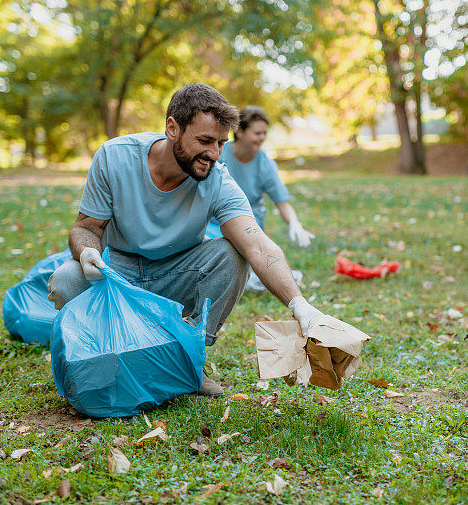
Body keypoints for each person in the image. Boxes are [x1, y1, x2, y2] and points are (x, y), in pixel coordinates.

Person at [47, 83, 340, 397]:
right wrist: (88, 252)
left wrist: (300, 306)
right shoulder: (115, 157)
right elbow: (85, 228)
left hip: (177, 275)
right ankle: (101, 356)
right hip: (117, 273)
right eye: (204, 140)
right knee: (66, 280)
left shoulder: (216, 179)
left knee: (232, 252)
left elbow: (257, 244)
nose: (213, 154)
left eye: (220, 143)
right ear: (173, 128)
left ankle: (189, 361)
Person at [215, 106, 314, 292]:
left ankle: (251, 279)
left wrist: (295, 224)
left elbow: (281, 201)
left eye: (264, 133)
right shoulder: (220, 154)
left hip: (249, 221)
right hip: (216, 221)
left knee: (241, 255)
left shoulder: (264, 162)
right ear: (240, 131)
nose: (262, 138)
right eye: (257, 133)